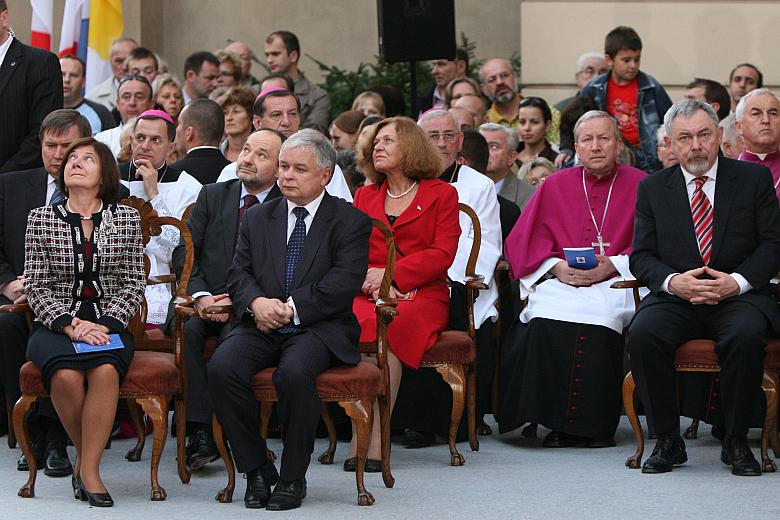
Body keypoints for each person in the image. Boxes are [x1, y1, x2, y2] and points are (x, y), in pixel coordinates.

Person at [208, 129, 371, 510]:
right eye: (283, 166)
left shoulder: (349, 221)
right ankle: (256, 468)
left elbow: (343, 283)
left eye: (299, 169)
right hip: (261, 322)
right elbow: (238, 274)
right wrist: (256, 303)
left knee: (294, 374)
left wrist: (292, 308)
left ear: (325, 175)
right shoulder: (258, 216)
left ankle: (293, 476)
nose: (287, 175)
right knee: (222, 368)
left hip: (319, 326)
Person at [626, 99, 780, 476]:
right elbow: (641, 256)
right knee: (643, 333)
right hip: (677, 298)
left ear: (720, 135)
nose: (695, 146)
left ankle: (736, 440)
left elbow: (773, 245)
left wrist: (736, 283)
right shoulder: (652, 188)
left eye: (703, 135)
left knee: (745, 336)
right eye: (684, 138)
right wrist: (673, 282)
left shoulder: (752, 179)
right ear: (670, 143)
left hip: (738, 296)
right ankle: (667, 439)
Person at [499, 110, 647, 447]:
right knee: (543, 316)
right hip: (564, 280)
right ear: (576, 147)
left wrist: (613, 264)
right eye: (587, 140)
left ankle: (592, 427)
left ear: (618, 145)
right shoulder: (555, 184)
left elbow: (657, 244)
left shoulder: (643, 184)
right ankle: (550, 418)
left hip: (618, 280)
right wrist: (555, 267)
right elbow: (522, 240)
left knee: (601, 316)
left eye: (604, 138)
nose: (596, 146)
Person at [0, 110, 127, 477]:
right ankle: (31, 431)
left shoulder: (114, 197)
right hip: (19, 293)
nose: (58, 155)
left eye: (67, 147)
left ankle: (57, 438)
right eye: (50, 145)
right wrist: (8, 283)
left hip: (87, 305)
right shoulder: (10, 185)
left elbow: (127, 273)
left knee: (75, 357)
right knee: (7, 325)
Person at [24, 136, 145, 506]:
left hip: (108, 324)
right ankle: (87, 463)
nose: (74, 162)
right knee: (65, 375)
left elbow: (133, 282)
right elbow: (35, 285)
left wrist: (104, 324)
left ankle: (87, 470)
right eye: (71, 158)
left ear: (103, 173)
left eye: (87, 158)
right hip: (54, 325)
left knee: (105, 370)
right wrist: (70, 324)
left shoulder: (125, 218)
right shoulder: (41, 219)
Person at [347, 117, 460, 470]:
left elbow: (442, 253)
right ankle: (361, 432)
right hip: (368, 291)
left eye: (388, 141)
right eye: (376, 142)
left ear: (410, 147)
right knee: (360, 321)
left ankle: (376, 439)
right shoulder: (364, 196)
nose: (377, 147)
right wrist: (371, 280)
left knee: (392, 323)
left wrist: (392, 275)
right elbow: (349, 251)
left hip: (423, 293)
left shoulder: (442, 193)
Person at [174, 128, 284, 472]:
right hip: (205, 302)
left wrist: (239, 304)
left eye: (261, 155)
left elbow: (286, 269)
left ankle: (238, 437)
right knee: (190, 332)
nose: (248, 158)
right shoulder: (213, 195)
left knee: (232, 344)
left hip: (254, 308)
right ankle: (200, 433)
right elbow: (184, 253)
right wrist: (202, 297)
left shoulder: (286, 204)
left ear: (280, 168)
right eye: (247, 150)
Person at [120, 109, 202, 326]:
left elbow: (177, 251)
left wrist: (154, 194)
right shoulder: (111, 180)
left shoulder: (187, 187)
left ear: (171, 147)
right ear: (131, 141)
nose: (145, 146)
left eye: (155, 140)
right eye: (140, 138)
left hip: (163, 284)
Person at [216, 88, 353, 201]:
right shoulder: (234, 172)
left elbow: (339, 215)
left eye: (292, 114)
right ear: (257, 122)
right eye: (276, 115)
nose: (286, 122)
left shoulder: (322, 167)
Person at [579, 26, 672, 172]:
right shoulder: (594, 88)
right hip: (610, 156)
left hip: (649, 157)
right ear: (609, 60)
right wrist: (567, 149)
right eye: (626, 60)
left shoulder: (651, 86)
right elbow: (574, 121)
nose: (633, 65)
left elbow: (671, 121)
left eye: (637, 59)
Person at [0, 0, 63, 173]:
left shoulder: (40, 63)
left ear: (4, 18)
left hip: (16, 180)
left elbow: (43, 133)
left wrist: (5, 178)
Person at [480, 58, 560, 144]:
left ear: (515, 77)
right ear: (484, 89)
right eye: (492, 79)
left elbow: (557, 149)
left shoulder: (549, 114)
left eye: (504, 75)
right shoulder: (484, 122)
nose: (499, 82)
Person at [264, 31, 330, 128]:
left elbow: (314, 133)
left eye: (275, 54)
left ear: (293, 56)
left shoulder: (317, 96)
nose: (269, 60)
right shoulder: (256, 91)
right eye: (267, 55)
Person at [735, 88, 780, 199]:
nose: (766, 120)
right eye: (756, 114)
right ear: (739, 127)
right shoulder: (724, 171)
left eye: (773, 113)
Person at [95, 75, 155, 156]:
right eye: (126, 97)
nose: (132, 103)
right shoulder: (102, 140)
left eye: (139, 97)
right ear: (118, 104)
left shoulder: (160, 139)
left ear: (151, 104)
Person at [172, 99, 230, 184]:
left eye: (179, 124)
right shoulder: (235, 173)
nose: (176, 129)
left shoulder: (172, 175)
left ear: (189, 132)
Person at [479, 123, 535, 210]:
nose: (484, 152)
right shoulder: (460, 188)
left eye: (493, 146)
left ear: (512, 157)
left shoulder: (530, 196)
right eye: (480, 146)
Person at [60, 55, 116, 135]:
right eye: (62, 74)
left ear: (84, 81)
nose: (66, 79)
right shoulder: (44, 108)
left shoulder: (101, 113)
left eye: (73, 75)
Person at [85, 37, 138, 110]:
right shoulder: (93, 98)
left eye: (130, 60)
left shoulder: (153, 92)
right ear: (110, 62)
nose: (124, 67)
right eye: (119, 61)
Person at [418, 48, 469, 113]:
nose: (434, 71)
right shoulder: (424, 101)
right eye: (434, 65)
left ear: (461, 66)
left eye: (441, 64)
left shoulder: (478, 98)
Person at [515, 97, 561, 167]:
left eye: (534, 122)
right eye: (522, 122)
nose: (527, 128)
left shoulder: (557, 161)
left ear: (547, 125)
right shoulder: (509, 156)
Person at [217, 86, 255, 162]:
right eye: (225, 113)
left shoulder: (261, 152)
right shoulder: (216, 152)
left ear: (251, 116)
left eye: (236, 111)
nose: (229, 118)